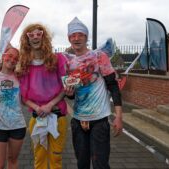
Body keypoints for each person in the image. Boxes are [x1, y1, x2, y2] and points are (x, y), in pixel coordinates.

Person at [64, 17, 123, 169]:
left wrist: (118, 116)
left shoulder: (99, 57)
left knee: (100, 164)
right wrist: (68, 93)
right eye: (73, 35)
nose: (76, 38)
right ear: (69, 38)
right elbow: (72, 95)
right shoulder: (69, 63)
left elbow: (113, 86)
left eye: (80, 35)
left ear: (86, 37)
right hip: (77, 120)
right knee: (82, 164)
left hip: (99, 120)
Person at [16, 23, 68, 169]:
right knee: (39, 158)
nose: (35, 37)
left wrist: (50, 105)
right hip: (37, 116)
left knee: (56, 157)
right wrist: (37, 107)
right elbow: (23, 95)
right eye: (30, 35)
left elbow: (66, 86)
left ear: (43, 36)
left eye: (38, 33)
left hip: (58, 115)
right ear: (26, 39)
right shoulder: (24, 64)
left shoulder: (58, 59)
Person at [0, 46, 26, 169]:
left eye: (15, 58)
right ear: (3, 57)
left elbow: (26, 100)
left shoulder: (21, 79)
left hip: (17, 125)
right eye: (9, 56)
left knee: (12, 160)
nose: (12, 59)